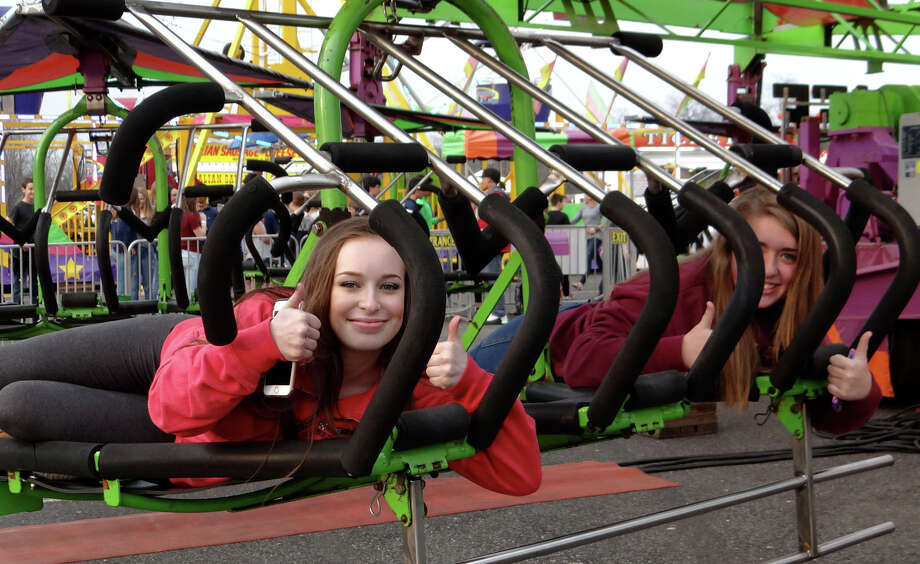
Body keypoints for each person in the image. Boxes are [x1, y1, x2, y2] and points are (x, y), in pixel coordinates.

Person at [0, 217, 541, 494]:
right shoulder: (272, 317)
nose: (371, 305)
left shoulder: (413, 385)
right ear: (324, 288)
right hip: (182, 355)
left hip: (196, 433)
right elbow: (171, 401)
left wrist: (471, 383)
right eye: (351, 285)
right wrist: (260, 345)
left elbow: (521, 477)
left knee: (20, 406)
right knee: (9, 365)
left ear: (412, 297)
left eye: (391, 287)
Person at [471, 186, 880, 434]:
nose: (770, 271)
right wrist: (680, 350)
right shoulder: (674, 290)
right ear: (727, 248)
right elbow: (581, 362)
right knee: (430, 406)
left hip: (580, 337)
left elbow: (825, 418)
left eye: (788, 256)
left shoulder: (794, 305)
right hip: (532, 343)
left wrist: (860, 393)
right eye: (756, 251)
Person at [477, 167, 510, 324]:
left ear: (489, 180)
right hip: (495, 240)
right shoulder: (498, 194)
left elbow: (493, 219)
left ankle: (499, 312)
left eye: (483, 178)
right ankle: (499, 312)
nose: (481, 182)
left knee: (493, 278)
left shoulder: (495, 196)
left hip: (493, 241)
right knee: (493, 277)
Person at [6, 178, 39, 304]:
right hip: (19, 253)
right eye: (30, 188)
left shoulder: (36, 207)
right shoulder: (18, 207)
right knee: (18, 283)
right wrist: (21, 242)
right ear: (23, 190)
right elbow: (8, 224)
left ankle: (36, 311)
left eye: (34, 188)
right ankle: (16, 311)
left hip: (33, 252)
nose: (33, 191)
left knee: (34, 282)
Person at [571, 197, 607, 294]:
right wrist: (562, 224)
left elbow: (606, 221)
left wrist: (596, 229)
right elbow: (574, 220)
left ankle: (581, 282)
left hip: (597, 236)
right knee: (597, 261)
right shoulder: (583, 208)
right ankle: (610, 274)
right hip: (587, 237)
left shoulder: (599, 207)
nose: (585, 196)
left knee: (589, 255)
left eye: (587, 194)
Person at [180, 194, 206, 299]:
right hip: (192, 253)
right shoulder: (192, 215)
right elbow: (201, 236)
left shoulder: (181, 215)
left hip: (182, 252)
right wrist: (203, 221)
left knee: (184, 284)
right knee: (192, 284)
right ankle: (189, 308)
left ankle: (184, 307)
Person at [545, 193, 571, 297]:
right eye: (563, 202)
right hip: (562, 247)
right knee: (564, 271)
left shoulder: (547, 216)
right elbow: (570, 232)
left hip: (550, 247)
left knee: (551, 270)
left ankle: (553, 293)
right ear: (559, 202)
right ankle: (566, 293)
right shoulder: (563, 216)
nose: (563, 205)